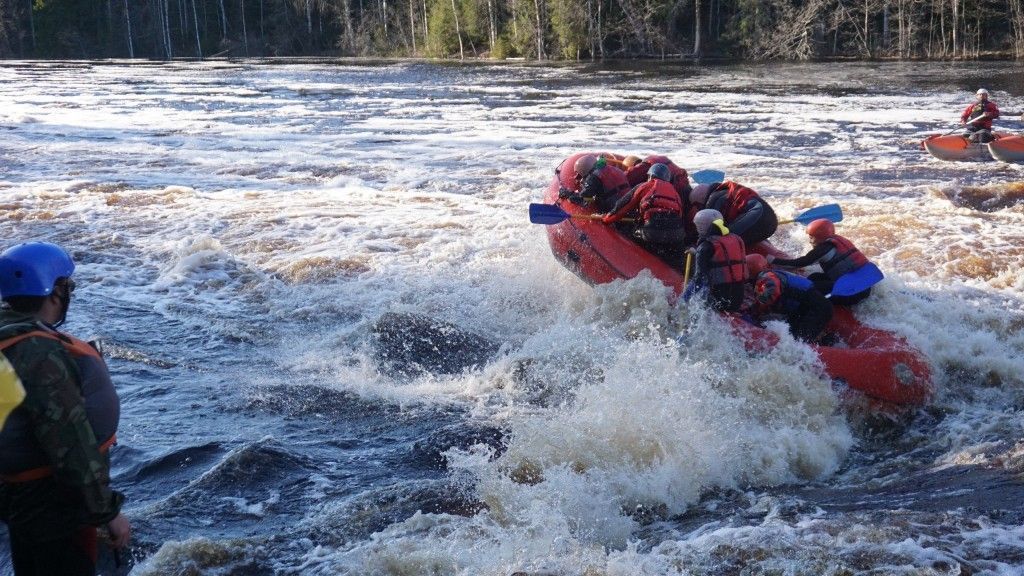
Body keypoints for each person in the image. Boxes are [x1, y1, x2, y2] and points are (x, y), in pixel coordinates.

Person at [0, 242, 130, 575]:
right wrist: (106, 512)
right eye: (66, 286)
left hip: (18, 496)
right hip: (51, 503)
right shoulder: (38, 355)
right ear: (55, 293)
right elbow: (69, 440)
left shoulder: (9, 334)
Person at [767, 218, 872, 306]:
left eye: (811, 237)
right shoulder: (839, 241)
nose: (810, 241)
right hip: (863, 287)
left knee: (808, 288)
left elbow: (800, 262)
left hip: (852, 292)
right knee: (815, 277)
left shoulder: (823, 250)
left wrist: (772, 260)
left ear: (819, 237)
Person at [601, 163, 686, 267]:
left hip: (652, 232)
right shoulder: (675, 193)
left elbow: (622, 207)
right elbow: (679, 215)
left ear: (650, 176)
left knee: (627, 232)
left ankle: (628, 265)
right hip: (676, 235)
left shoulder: (645, 186)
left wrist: (606, 219)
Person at [682, 209, 748, 312]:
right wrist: (697, 252)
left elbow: (698, 280)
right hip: (738, 300)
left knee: (699, 289)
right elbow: (724, 258)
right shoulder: (737, 239)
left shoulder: (705, 247)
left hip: (719, 302)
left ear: (701, 227)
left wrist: (683, 299)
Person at [751, 269, 833, 343]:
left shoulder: (769, 282)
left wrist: (756, 315)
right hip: (808, 303)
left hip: (818, 307)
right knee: (794, 332)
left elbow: (769, 299)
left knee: (798, 341)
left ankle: (825, 342)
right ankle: (825, 339)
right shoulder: (770, 275)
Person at [689, 180, 778, 246]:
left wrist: (696, 243)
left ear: (701, 198)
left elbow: (714, 229)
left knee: (720, 239)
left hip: (757, 217)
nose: (698, 208)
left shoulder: (713, 200)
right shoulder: (724, 191)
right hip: (771, 221)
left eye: (697, 205)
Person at [558, 154, 630, 212]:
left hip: (614, 210)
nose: (577, 177)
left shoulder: (593, 177)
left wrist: (567, 194)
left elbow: (582, 198)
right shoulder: (616, 169)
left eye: (579, 174)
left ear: (584, 170)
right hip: (629, 207)